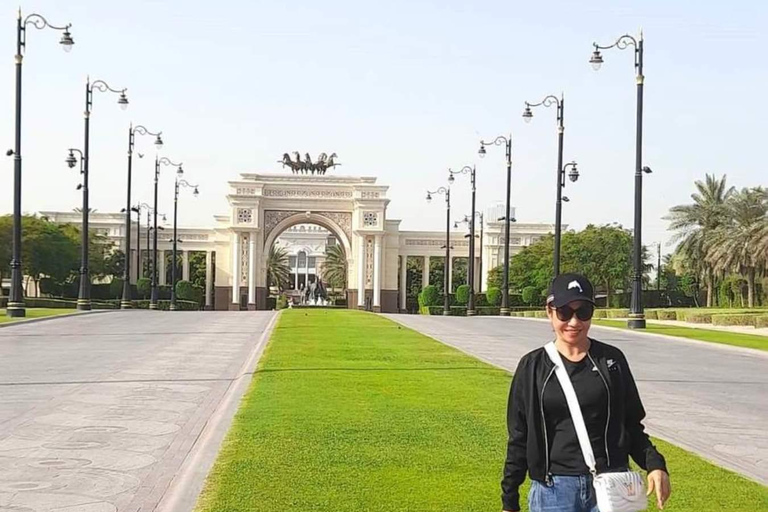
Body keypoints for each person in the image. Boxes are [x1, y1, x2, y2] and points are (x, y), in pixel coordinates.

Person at [501, 273, 671, 512]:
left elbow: (631, 424)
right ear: (549, 312)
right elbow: (519, 435)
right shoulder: (533, 366)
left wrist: (655, 464)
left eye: (583, 312)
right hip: (553, 491)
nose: (574, 322)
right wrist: (510, 499)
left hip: (610, 489)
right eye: (564, 312)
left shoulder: (611, 360)